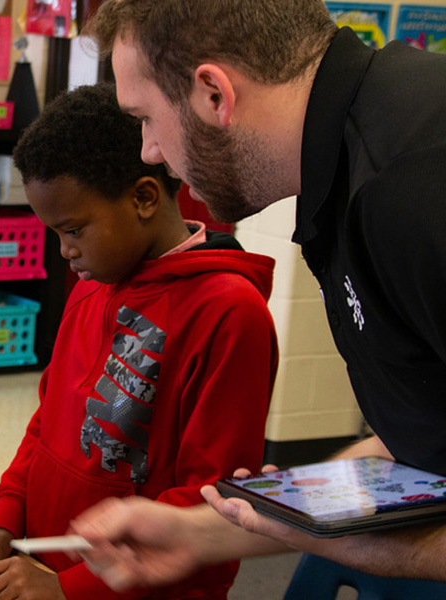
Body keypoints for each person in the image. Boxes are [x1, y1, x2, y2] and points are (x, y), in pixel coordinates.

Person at [68, 0, 446, 589]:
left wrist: (355, 548)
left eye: (145, 118)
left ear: (214, 94)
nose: (148, 150)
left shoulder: (415, 189)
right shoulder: (350, 160)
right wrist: (200, 532)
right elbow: (423, 443)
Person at [0, 83, 278, 599]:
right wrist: (2, 526)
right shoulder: (93, 288)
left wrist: (74, 589)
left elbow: (212, 504)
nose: (65, 252)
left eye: (74, 230)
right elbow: (46, 427)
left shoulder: (229, 312)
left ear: (144, 198)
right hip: (45, 575)